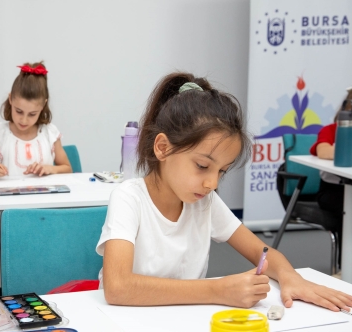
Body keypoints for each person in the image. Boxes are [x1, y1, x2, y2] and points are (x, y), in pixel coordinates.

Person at [97, 72, 352, 313]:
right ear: (163, 148)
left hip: (180, 325)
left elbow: (263, 253)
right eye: (202, 166)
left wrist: (291, 277)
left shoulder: (204, 201)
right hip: (124, 324)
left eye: (222, 171)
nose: (212, 183)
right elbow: (118, 287)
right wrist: (217, 290)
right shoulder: (129, 198)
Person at [0, 62, 72, 176]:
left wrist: (50, 169)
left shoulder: (49, 133)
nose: (24, 120)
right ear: (10, 99)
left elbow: (68, 169)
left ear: (43, 106)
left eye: (32, 114)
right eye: (19, 111)